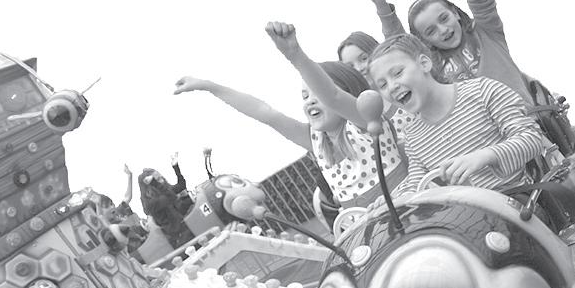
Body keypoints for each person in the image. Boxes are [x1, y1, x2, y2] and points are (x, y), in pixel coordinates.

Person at [174, 58, 406, 208]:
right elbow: (264, 112)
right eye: (305, 96)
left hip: (406, 208)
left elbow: (334, 97)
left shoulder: (365, 122)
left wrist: (294, 53)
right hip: (369, 228)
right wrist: (210, 87)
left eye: (317, 93)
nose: (310, 101)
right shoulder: (316, 142)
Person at [367, 33, 544, 195]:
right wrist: (392, 201)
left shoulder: (482, 91)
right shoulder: (413, 135)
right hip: (468, 215)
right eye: (382, 85)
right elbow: (416, 183)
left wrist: (486, 156)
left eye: (397, 73)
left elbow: (531, 138)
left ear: (424, 64)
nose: (392, 87)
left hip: (518, 201)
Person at [407, 0, 535, 106]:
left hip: (524, 117)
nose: (443, 30)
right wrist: (384, 9)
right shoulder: (432, 69)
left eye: (444, 18)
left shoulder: (486, 31)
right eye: (431, 31)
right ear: (425, 41)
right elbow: (398, 50)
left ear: (455, 13)